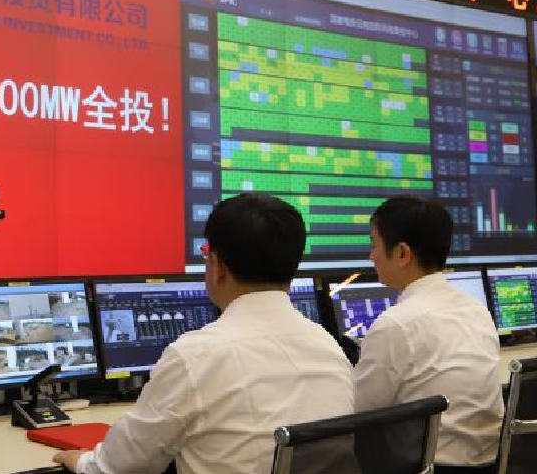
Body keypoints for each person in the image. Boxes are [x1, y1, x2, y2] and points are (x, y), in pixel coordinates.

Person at [52, 192, 353, 474]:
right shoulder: (328, 347)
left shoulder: (196, 356)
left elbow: (123, 466)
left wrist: (82, 461)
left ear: (217, 265)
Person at [352, 196, 504, 474]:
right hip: (487, 466)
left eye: (374, 245)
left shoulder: (395, 325)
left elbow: (356, 412)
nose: (371, 256)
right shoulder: (477, 310)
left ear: (402, 253)